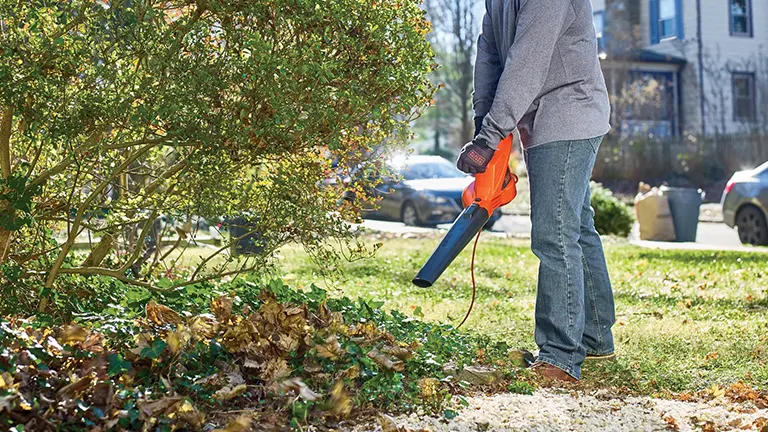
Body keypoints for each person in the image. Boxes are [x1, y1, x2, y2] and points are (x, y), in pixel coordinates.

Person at [456, 0, 616, 383]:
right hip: (541, 118)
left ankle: (560, 356)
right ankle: (595, 337)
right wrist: (484, 128)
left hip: (569, 112)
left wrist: (492, 135)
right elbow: (489, 55)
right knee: (575, 225)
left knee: (554, 233)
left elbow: (527, 60)